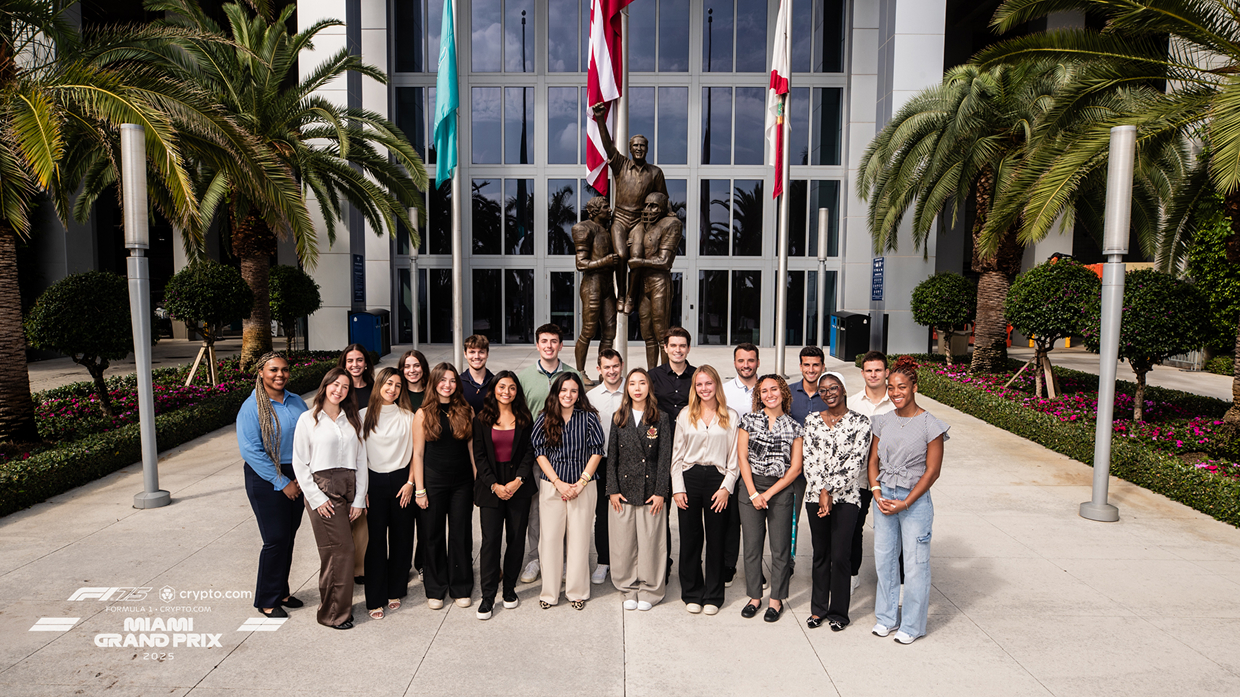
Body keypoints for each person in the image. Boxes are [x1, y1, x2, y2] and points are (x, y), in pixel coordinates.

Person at [869, 356, 949, 644]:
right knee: (885, 560)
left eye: (901, 387)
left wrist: (905, 503)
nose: (895, 393)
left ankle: (912, 626)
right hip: (884, 498)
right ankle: (886, 618)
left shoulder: (931, 425)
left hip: (913, 502)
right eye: (890, 388)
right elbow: (873, 461)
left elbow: (932, 471)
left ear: (915, 386)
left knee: (915, 565)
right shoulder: (883, 420)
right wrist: (876, 492)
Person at [291, 368, 368, 629]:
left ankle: (336, 607)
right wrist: (316, 498)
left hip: (350, 484)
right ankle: (333, 614)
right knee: (340, 551)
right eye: (335, 384)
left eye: (345, 386)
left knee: (341, 552)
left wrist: (358, 499)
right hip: (322, 488)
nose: (339, 390)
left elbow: (361, 460)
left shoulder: (352, 418)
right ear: (325, 386)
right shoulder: (307, 419)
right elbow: (300, 463)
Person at [237, 352, 308, 618]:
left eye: (284, 370)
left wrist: (302, 475)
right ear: (261, 373)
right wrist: (282, 482)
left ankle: (281, 591)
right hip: (266, 476)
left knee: (288, 536)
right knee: (275, 538)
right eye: (273, 370)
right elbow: (251, 451)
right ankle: (267, 600)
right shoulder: (252, 407)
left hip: (296, 474)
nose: (280, 375)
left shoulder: (296, 401)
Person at [802, 371, 871, 631]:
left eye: (833, 388)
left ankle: (839, 613)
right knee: (821, 554)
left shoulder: (861, 423)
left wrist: (829, 490)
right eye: (823, 390)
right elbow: (809, 459)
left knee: (841, 556)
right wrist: (821, 491)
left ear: (843, 389)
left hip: (847, 498)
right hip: (815, 497)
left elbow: (856, 462)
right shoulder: (811, 421)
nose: (828, 393)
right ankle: (818, 610)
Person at [531, 373, 605, 610]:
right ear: (556, 392)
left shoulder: (590, 418)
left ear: (579, 394)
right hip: (552, 486)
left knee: (579, 539)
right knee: (550, 539)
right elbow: (539, 452)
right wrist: (558, 483)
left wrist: (581, 482)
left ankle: (577, 592)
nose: (568, 395)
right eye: (564, 390)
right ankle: (550, 593)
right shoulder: (544, 418)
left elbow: (597, 451)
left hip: (583, 486)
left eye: (573, 391)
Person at [516, 324, 581, 584]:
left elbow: (582, 411)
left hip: (568, 455)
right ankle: (535, 558)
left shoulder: (573, 374)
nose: (549, 346)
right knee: (536, 509)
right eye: (544, 341)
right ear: (537, 344)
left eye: (554, 341)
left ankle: (563, 560)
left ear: (561, 345)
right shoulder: (524, 378)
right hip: (536, 455)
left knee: (565, 508)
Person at [671, 365, 738, 615]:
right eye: (699, 384)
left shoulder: (730, 416)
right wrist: (678, 488)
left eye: (709, 383)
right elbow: (676, 457)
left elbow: (735, 459)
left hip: (717, 480)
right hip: (690, 477)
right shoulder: (685, 415)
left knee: (716, 539)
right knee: (690, 538)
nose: (704, 388)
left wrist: (726, 488)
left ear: (717, 385)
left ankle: (713, 594)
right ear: (694, 387)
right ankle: (691, 592)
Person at [736, 375, 803, 623]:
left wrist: (768, 494)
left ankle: (776, 600)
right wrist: (753, 492)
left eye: (774, 389)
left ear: (783, 392)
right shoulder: (749, 420)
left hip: (781, 490)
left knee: (780, 548)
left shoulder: (795, 427)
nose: (769, 394)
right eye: (764, 391)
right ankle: (754, 597)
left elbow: (795, 468)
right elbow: (742, 457)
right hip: (751, 487)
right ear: (759, 395)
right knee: (752, 547)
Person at [412, 363, 477, 610]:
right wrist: (420, 489)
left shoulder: (466, 410)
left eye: (452, 380)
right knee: (432, 536)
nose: (447, 385)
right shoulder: (422, 414)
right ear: (434, 382)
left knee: (461, 535)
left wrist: (475, 482)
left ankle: (461, 587)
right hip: (433, 483)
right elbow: (418, 454)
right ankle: (436, 588)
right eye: (442, 380)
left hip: (462, 483)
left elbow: (471, 449)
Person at [472, 371, 536, 620]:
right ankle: (488, 596)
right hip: (491, 489)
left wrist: (518, 480)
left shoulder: (524, 418)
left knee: (516, 540)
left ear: (516, 391)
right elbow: (479, 456)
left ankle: (509, 590)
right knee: (490, 543)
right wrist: (494, 485)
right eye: (501, 387)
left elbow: (530, 452)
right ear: (494, 390)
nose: (506, 392)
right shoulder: (482, 419)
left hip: (518, 487)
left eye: (511, 387)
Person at [606, 368, 671, 611]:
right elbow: (612, 456)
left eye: (642, 383)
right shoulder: (618, 417)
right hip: (622, 491)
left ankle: (651, 589)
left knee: (651, 542)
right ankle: (627, 587)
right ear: (627, 388)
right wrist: (612, 489)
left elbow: (665, 457)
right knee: (623, 544)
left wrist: (661, 491)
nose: (637, 388)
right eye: (632, 383)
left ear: (649, 387)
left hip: (651, 491)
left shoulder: (660, 418)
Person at [361, 368, 416, 620]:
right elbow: (359, 457)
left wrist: (411, 483)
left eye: (397, 385)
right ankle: (375, 597)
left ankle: (396, 590)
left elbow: (417, 453)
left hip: (401, 481)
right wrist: (362, 491)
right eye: (388, 383)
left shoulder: (409, 416)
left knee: (402, 539)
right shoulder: (362, 416)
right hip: (373, 481)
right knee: (375, 542)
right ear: (379, 385)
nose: (392, 389)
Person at [649, 326, 695, 578]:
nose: (678, 350)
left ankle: (690, 566)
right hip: (659, 452)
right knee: (660, 514)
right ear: (665, 348)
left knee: (688, 516)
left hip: (690, 453)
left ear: (688, 348)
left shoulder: (698, 377)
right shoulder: (652, 376)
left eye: (682, 346)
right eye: (673, 346)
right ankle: (662, 564)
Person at [846, 351, 894, 592]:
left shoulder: (899, 402)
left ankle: (896, 578)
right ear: (862, 373)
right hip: (861, 479)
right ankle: (852, 572)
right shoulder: (852, 404)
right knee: (854, 527)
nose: (873, 374)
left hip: (892, 480)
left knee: (893, 530)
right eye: (869, 370)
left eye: (878, 370)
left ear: (886, 372)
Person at [721, 343, 759, 587]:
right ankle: (728, 566)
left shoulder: (768, 389)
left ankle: (755, 569)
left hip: (761, 465)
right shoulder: (724, 392)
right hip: (733, 463)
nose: (746, 365)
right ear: (735, 362)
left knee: (755, 522)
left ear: (757, 362)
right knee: (732, 520)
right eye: (741, 360)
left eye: (750, 360)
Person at [586, 348, 624, 585]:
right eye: (606, 367)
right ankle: (603, 561)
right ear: (599, 370)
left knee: (626, 513)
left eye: (615, 366)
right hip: (600, 461)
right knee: (602, 513)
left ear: (622, 365)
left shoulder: (631, 393)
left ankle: (625, 561)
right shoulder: (591, 397)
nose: (612, 371)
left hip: (626, 462)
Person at [786, 346, 827, 567]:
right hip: (795, 470)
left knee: (822, 519)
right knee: (791, 519)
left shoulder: (830, 394)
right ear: (800, 366)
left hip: (822, 471)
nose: (811, 369)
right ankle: (788, 563)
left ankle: (822, 566)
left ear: (822, 366)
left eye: (815, 365)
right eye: (807, 365)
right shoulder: (788, 393)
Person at [338, 343, 374, 583]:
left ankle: (360, 568)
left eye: (359, 360)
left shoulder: (375, 390)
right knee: (343, 520)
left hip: (371, 458)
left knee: (363, 520)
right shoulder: (339, 390)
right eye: (350, 361)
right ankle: (342, 567)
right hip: (344, 460)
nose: (355, 365)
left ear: (366, 363)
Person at [573, 197, 620, 376]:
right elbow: (581, 264)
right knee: (588, 331)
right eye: (605, 207)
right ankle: (580, 372)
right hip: (592, 284)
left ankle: (605, 372)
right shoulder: (583, 228)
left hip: (608, 285)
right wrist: (605, 260)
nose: (610, 210)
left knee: (609, 331)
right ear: (594, 211)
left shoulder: (608, 230)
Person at [398, 349, 430, 579]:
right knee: (403, 522)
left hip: (426, 464)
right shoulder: (395, 395)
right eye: (407, 366)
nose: (412, 370)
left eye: (416, 365)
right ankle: (401, 565)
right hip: (400, 466)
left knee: (426, 521)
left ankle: (423, 562)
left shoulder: (432, 394)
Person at [461, 334, 495, 413]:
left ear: (487, 354)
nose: (477, 356)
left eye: (481, 352)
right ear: (465, 354)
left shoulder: (496, 383)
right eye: (472, 352)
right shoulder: (458, 383)